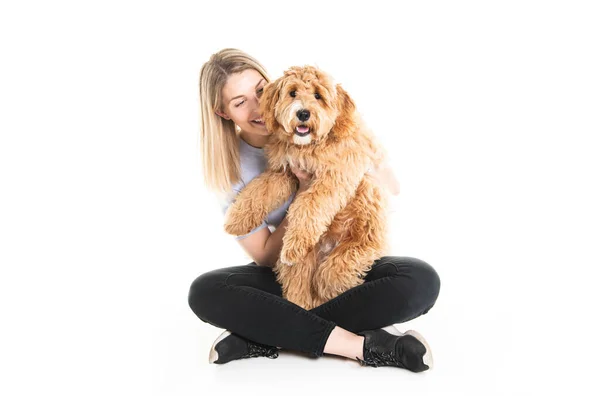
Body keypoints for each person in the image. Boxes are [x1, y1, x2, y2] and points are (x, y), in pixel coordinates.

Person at [188, 48, 441, 372]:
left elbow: (393, 186)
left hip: (345, 259)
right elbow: (265, 257)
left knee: (419, 280)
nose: (258, 106)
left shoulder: (330, 122)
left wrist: (353, 157)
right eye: (240, 102)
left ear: (275, 87)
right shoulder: (230, 169)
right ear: (223, 113)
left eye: (261, 91)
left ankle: (267, 334)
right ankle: (364, 346)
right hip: (289, 269)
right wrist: (305, 193)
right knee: (206, 292)